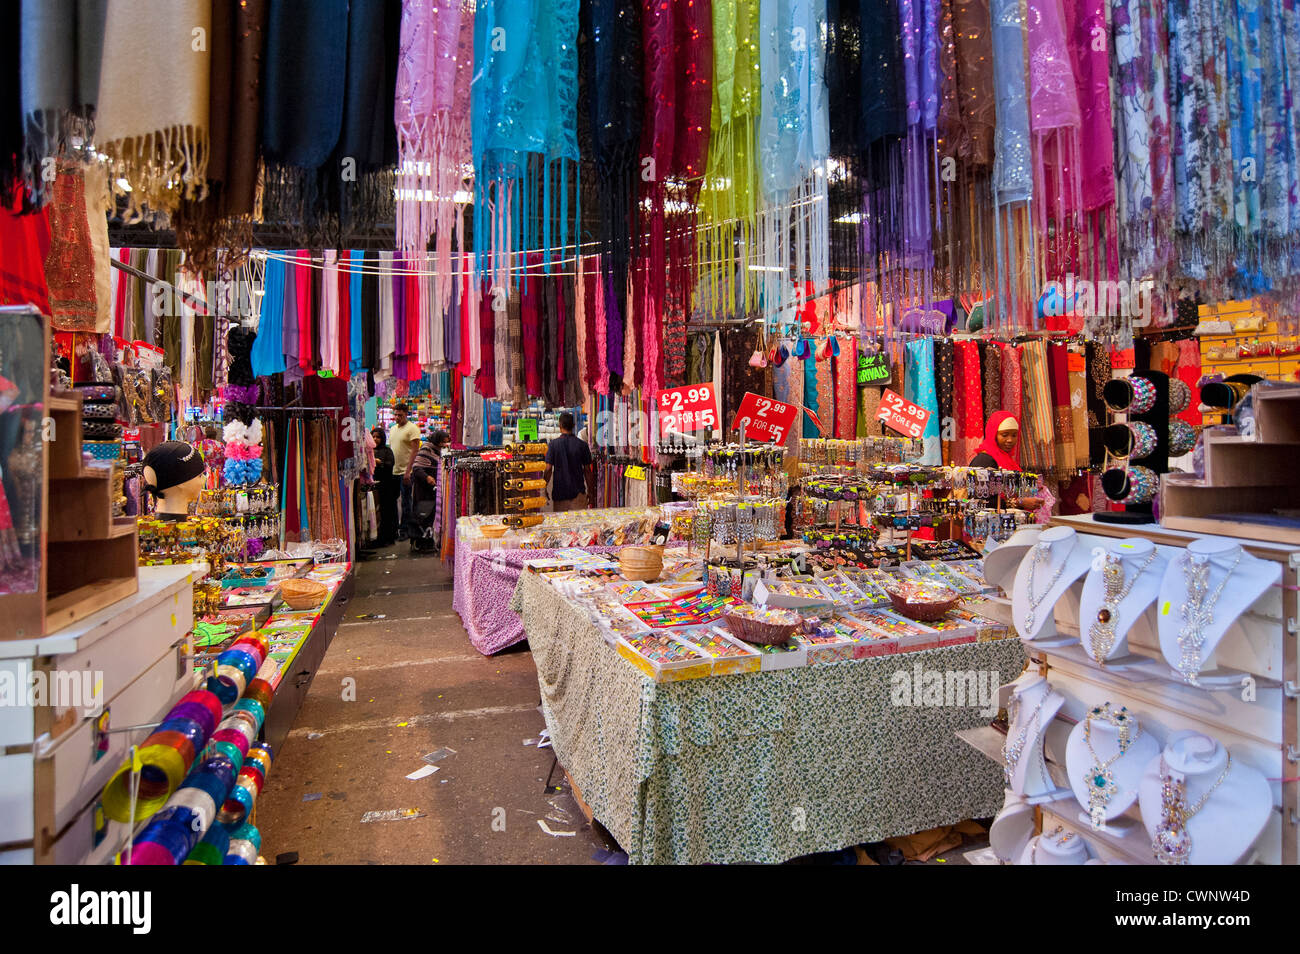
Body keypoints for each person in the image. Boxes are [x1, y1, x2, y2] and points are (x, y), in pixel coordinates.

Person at [968, 411, 1042, 512]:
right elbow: (981, 500)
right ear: (993, 434)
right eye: (1004, 435)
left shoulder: (1008, 461)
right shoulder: (984, 461)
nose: (1010, 440)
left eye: (1014, 435)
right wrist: (1019, 502)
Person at [410, 429, 450, 552]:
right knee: (422, 515)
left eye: (446, 442)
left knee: (430, 516)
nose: (444, 444)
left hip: (432, 490)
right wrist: (427, 477)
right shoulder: (426, 449)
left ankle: (428, 542)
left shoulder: (438, 451)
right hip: (423, 490)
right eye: (443, 442)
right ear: (437, 440)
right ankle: (420, 542)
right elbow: (416, 468)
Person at [544, 411, 593, 512]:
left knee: (562, 525)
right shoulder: (582, 445)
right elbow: (587, 470)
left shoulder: (553, 445)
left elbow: (548, 469)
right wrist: (591, 491)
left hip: (559, 494)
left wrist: (544, 487)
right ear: (574, 426)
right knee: (579, 525)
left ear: (560, 425)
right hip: (578, 493)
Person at [388, 403, 421, 539]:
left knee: (406, 502)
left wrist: (408, 471)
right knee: (393, 502)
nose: (397, 417)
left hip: (405, 472)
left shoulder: (412, 429)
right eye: (395, 415)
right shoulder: (392, 429)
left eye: (400, 415)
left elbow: (415, 451)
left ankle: (406, 530)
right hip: (394, 471)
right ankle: (395, 528)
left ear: (406, 414)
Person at [370, 427, 399, 547]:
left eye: (378, 437)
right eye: (373, 437)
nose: (375, 439)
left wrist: (379, 463)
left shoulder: (387, 451)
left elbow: (390, 464)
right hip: (373, 487)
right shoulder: (368, 451)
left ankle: (387, 537)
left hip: (386, 486)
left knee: (387, 512)